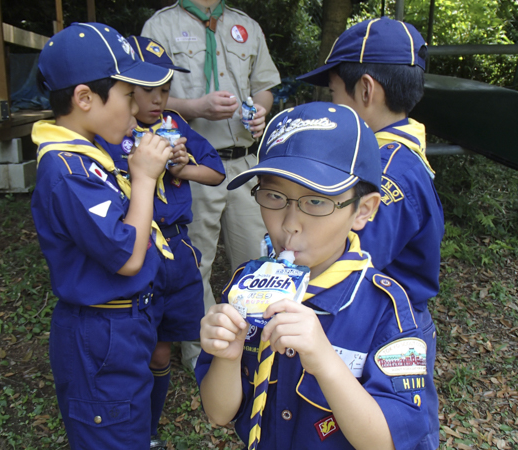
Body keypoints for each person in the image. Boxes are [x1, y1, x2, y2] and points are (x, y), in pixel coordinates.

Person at [195, 102, 431, 450]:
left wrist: (326, 362)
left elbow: (389, 442)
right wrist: (227, 358)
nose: (290, 223)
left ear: (362, 210)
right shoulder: (246, 287)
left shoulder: (389, 311)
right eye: (274, 196)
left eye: (316, 202)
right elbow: (218, 413)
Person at [297, 17, 444, 449]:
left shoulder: (386, 170)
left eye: (333, 94)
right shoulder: (396, 153)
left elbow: (349, 259)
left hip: (380, 329)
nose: (331, 103)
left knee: (379, 428)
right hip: (376, 323)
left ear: (365, 90)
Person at [30, 23, 174, 450]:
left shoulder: (90, 156)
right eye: (128, 96)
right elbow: (128, 256)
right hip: (100, 334)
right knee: (109, 428)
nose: (135, 110)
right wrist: (144, 178)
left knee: (127, 422)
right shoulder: (66, 171)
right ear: (85, 98)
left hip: (123, 324)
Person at [96, 35, 225, 449]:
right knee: (134, 350)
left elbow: (217, 173)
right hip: (139, 248)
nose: (157, 99)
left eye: (165, 90)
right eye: (148, 90)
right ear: (124, 88)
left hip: (177, 250)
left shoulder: (175, 126)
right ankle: (134, 429)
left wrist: (183, 167)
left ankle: (148, 430)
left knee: (162, 351)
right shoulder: (108, 135)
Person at [141, 0, 281, 369]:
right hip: (190, 167)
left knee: (257, 260)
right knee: (194, 262)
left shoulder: (245, 25)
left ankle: (257, 346)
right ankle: (202, 353)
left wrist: (262, 110)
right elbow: (143, 94)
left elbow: (264, 85)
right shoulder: (161, 25)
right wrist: (196, 107)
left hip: (245, 164)